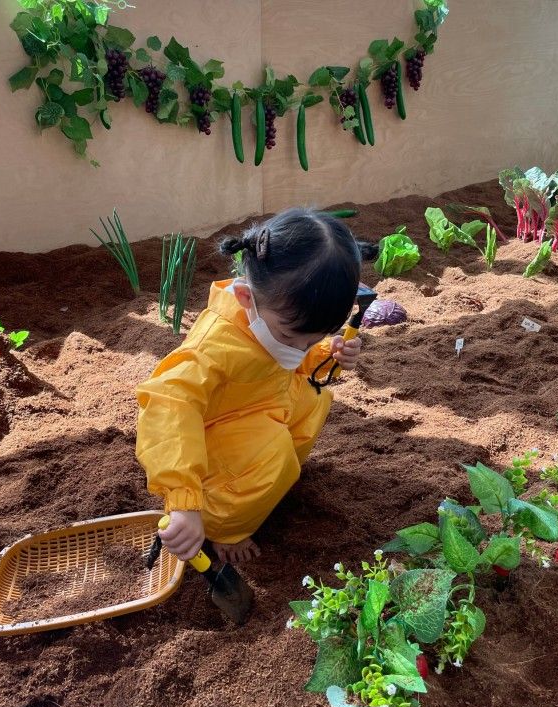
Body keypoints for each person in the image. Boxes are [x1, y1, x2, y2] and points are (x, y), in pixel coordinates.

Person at [135, 207, 377, 564]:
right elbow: (169, 404)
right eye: (291, 336)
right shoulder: (215, 346)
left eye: (314, 338)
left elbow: (287, 361)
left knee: (315, 397)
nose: (300, 348)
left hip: (259, 404)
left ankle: (268, 485)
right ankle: (225, 525)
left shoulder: (272, 315)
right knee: (274, 448)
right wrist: (183, 500)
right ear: (246, 298)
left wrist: (327, 354)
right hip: (208, 438)